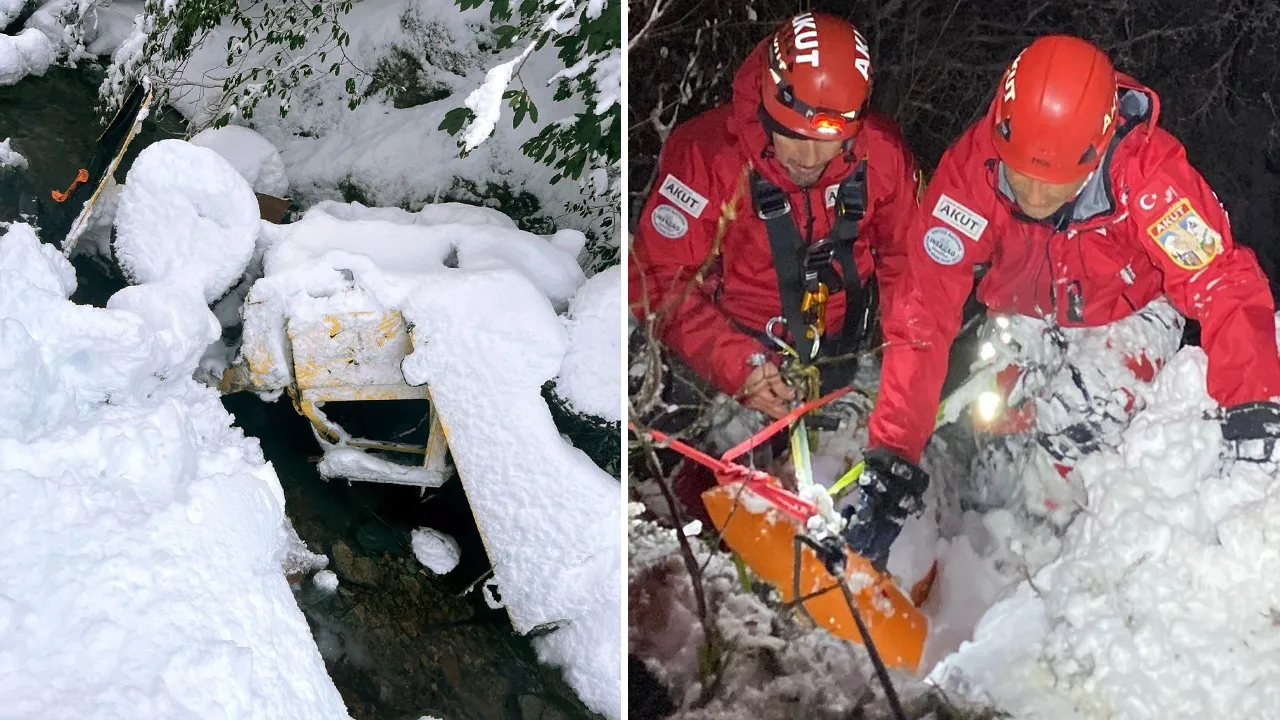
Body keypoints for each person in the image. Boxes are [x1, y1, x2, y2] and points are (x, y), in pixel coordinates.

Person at [845, 35, 1280, 567]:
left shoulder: (1149, 174)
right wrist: (892, 451)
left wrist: (1255, 403)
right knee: (995, 406)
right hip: (1026, 306)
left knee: (1082, 421)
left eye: (1054, 185)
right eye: (1019, 175)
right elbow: (922, 311)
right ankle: (970, 508)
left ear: (1095, 151)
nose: (1031, 197)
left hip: (1133, 308)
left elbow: (1223, 280)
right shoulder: (973, 171)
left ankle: (1038, 550)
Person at [629, 10, 923, 423]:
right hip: (723, 343)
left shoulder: (883, 158)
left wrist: (909, 355)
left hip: (838, 347)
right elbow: (657, 277)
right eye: (793, 135)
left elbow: (908, 264)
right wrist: (735, 364)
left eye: (829, 142)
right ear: (769, 101)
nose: (808, 159)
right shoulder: (707, 155)